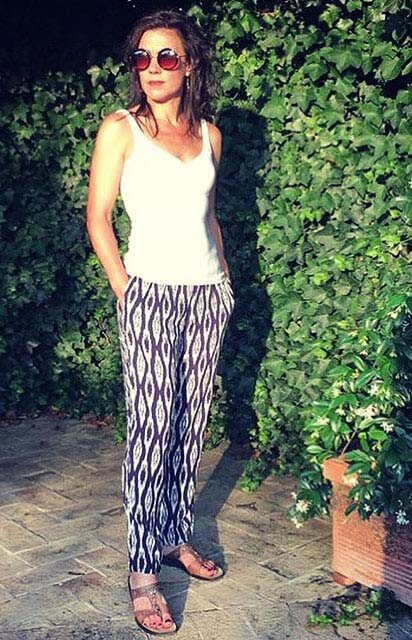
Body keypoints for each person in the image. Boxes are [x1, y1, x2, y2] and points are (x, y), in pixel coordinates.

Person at [86, 8, 235, 636]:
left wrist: (224, 281)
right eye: (142, 57)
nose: (152, 68)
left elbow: (208, 215)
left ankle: (174, 535)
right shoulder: (120, 130)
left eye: (166, 56)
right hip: (148, 295)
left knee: (189, 426)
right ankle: (142, 568)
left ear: (189, 64)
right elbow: (98, 218)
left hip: (205, 297)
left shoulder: (210, 135)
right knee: (150, 432)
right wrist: (126, 290)